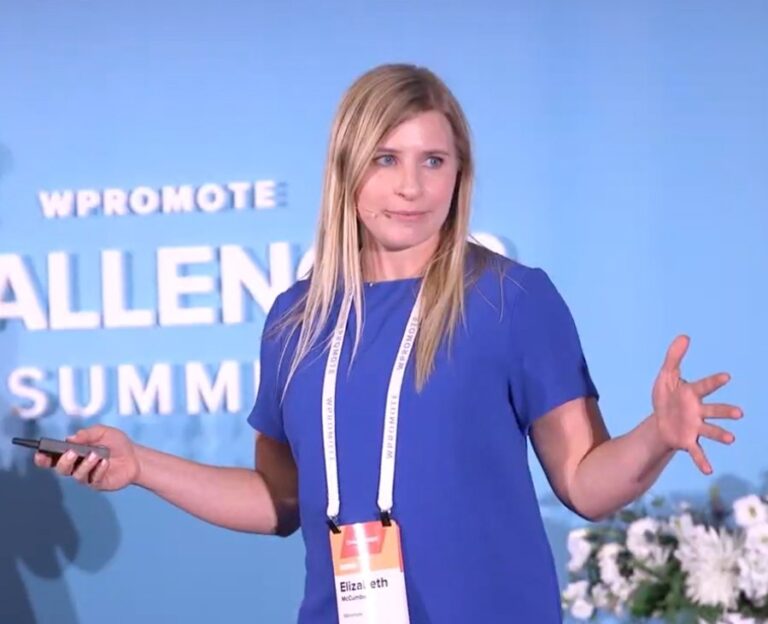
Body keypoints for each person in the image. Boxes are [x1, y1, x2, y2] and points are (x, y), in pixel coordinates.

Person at [35, 64, 743, 623]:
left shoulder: (511, 299)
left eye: (433, 161)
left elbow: (586, 484)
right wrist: (140, 464)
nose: (411, 187)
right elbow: (281, 502)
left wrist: (657, 435)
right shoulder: (295, 319)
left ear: (459, 172)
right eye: (386, 159)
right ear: (347, 168)